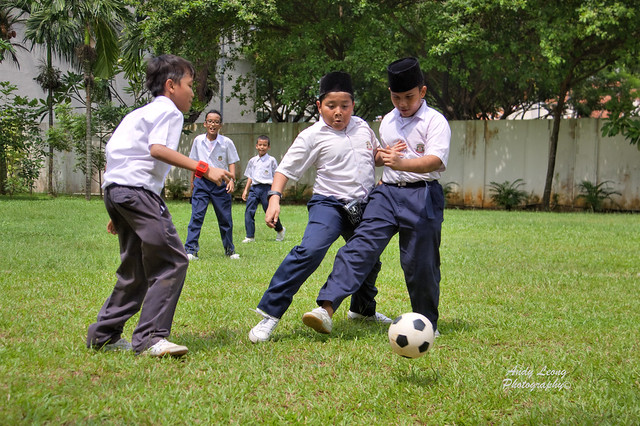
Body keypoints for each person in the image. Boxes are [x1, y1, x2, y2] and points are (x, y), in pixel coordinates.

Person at [86, 54, 233, 357]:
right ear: (171, 86)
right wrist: (204, 169)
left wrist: (120, 210)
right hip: (136, 194)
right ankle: (151, 337)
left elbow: (118, 157)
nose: (194, 92)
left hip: (118, 192)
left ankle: (104, 335)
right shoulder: (169, 112)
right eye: (190, 85)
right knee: (172, 261)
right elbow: (157, 150)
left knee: (135, 270)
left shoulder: (137, 115)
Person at [302, 57, 451, 337]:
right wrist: (383, 158)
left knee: (420, 264)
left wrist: (399, 162)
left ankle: (426, 323)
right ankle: (326, 308)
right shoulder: (388, 122)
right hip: (386, 193)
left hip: (423, 194)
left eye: (409, 97)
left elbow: (434, 161)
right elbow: (383, 156)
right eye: (396, 98)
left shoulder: (436, 122)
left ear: (423, 91)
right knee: (360, 248)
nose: (403, 104)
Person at [248, 71, 392, 343]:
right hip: (329, 205)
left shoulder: (362, 127)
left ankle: (362, 311)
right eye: (331, 106)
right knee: (310, 251)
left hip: (363, 204)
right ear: (319, 106)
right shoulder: (311, 136)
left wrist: (385, 156)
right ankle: (270, 315)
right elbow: (285, 170)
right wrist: (274, 198)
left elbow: (371, 156)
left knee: (368, 258)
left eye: (345, 106)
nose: (338, 112)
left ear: (353, 105)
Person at [184, 110, 241, 260]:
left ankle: (230, 250)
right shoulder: (198, 140)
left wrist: (232, 181)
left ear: (220, 125)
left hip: (220, 184)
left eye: (216, 122)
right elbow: (193, 162)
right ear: (205, 123)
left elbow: (232, 162)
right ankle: (191, 250)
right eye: (210, 121)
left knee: (225, 218)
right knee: (197, 216)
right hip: (201, 183)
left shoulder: (226, 142)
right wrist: (192, 182)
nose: (212, 125)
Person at [241, 135, 286, 243]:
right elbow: (250, 176)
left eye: (264, 145)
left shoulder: (271, 160)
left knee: (269, 211)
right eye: (260, 145)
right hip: (254, 189)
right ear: (256, 146)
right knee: (249, 211)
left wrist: (277, 191)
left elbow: (277, 175)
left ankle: (280, 229)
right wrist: (246, 189)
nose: (262, 147)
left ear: (268, 147)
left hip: (267, 189)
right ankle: (250, 236)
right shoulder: (253, 161)